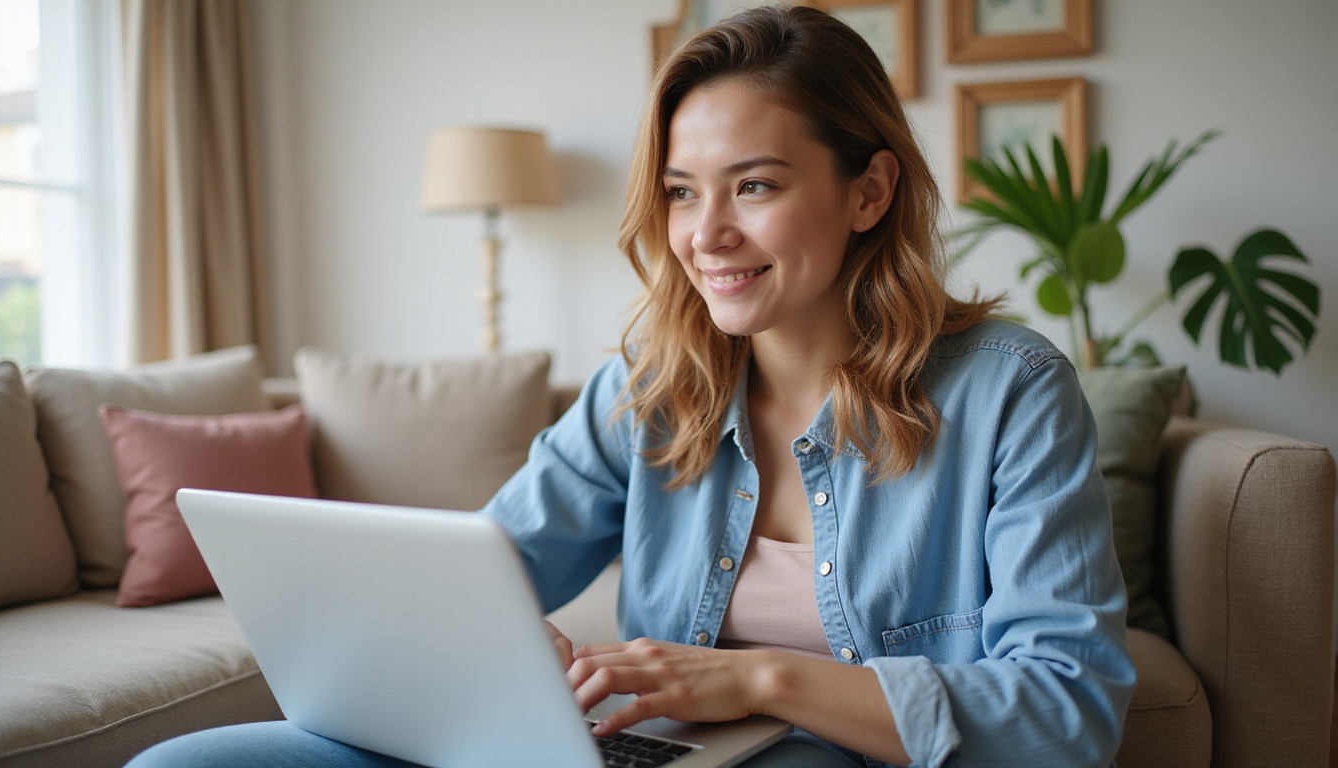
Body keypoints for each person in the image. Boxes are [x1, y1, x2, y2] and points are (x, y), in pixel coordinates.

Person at [127, 6, 1134, 768]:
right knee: (183, 764)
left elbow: (1068, 708)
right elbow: (487, 570)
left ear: (868, 191)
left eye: (757, 185)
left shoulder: (1010, 392)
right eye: (682, 192)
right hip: (636, 749)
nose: (706, 235)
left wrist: (762, 677)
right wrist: (502, 644)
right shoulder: (649, 390)